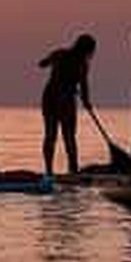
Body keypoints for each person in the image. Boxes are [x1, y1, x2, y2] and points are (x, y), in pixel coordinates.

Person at [39, 34, 97, 175]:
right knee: (68, 136)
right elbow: (83, 85)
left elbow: (42, 64)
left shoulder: (60, 54)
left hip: (51, 97)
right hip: (63, 100)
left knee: (51, 135)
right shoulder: (82, 64)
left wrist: (50, 60)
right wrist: (86, 101)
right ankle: (73, 170)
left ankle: (49, 171)